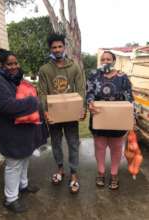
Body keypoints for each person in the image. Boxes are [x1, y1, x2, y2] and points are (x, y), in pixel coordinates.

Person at [0, 48, 43, 213]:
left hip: (20, 130)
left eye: (15, 63)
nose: (13, 66)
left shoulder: (13, 79)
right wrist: (33, 102)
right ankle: (10, 199)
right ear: (2, 65)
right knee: (13, 164)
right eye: (9, 64)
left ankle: (23, 186)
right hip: (7, 131)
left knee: (24, 158)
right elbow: (5, 105)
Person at [38, 33, 86, 193]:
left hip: (70, 114)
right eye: (54, 47)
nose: (57, 50)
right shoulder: (44, 69)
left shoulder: (74, 67)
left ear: (64, 47)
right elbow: (42, 92)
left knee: (73, 143)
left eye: (60, 46)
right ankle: (60, 169)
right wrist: (45, 111)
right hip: (54, 115)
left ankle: (73, 174)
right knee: (56, 144)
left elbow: (80, 89)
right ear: (50, 49)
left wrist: (81, 108)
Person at [86, 51, 134, 190]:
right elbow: (89, 92)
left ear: (114, 61)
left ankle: (114, 174)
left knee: (116, 148)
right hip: (99, 117)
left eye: (108, 59)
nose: (105, 61)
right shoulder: (94, 75)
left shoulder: (122, 77)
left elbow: (129, 97)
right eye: (103, 59)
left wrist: (131, 114)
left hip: (117, 120)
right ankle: (101, 172)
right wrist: (90, 102)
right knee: (100, 147)